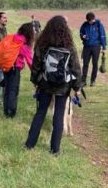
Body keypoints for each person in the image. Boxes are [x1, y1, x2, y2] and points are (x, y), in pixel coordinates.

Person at [25, 16, 83, 155]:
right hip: (63, 86)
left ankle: (29, 144)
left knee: (40, 113)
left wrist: (35, 81)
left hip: (45, 84)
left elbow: (36, 64)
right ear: (65, 28)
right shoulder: (68, 45)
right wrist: (77, 87)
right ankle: (55, 150)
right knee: (58, 114)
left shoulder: (42, 43)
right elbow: (75, 67)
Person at [2, 23, 34, 118]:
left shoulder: (13, 38)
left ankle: (6, 110)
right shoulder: (24, 44)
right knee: (13, 90)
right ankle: (11, 112)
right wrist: (35, 72)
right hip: (15, 68)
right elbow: (30, 61)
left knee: (7, 89)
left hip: (6, 66)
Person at [79, 12, 107, 86]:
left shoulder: (99, 25)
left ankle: (93, 81)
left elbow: (103, 36)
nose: (91, 21)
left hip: (96, 47)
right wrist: (83, 36)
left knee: (95, 64)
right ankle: (83, 81)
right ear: (87, 20)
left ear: (94, 18)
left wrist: (104, 47)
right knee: (85, 64)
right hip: (86, 47)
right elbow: (81, 33)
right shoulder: (84, 25)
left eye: (92, 20)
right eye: (89, 20)